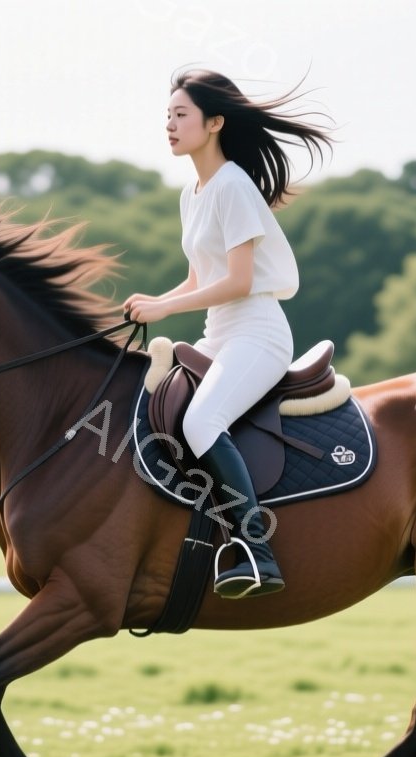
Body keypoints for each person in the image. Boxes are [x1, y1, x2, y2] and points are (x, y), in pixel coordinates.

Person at [122, 69, 334, 599]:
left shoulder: (234, 186)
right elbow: (200, 278)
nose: (170, 125)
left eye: (181, 115)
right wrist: (154, 302)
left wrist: (163, 309)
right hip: (219, 333)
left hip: (258, 334)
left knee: (201, 420)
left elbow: (238, 282)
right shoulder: (192, 193)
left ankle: (257, 550)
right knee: (156, 408)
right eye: (167, 116)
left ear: (214, 123)